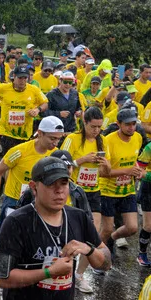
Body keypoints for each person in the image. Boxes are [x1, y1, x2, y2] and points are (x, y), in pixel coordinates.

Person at [0, 156, 111, 300]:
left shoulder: (78, 217)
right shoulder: (15, 222)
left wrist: (89, 249)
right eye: (51, 184)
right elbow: (3, 278)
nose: (59, 191)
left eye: (64, 183)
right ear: (34, 187)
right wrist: (49, 272)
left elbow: (105, 263)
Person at [0, 116, 64, 249]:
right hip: (14, 203)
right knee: (7, 245)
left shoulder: (56, 155)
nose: (55, 143)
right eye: (52, 138)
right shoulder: (19, 151)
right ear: (40, 133)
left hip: (40, 205)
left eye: (59, 138)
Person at [61, 106, 111, 292]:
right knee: (70, 233)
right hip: (73, 190)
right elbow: (59, 163)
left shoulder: (103, 141)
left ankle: (79, 275)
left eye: (99, 127)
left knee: (93, 235)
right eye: (93, 127)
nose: (96, 130)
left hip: (94, 191)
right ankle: (63, 267)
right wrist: (81, 160)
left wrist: (105, 164)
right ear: (85, 123)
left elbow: (107, 173)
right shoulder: (72, 139)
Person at [99, 108, 142, 266]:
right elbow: (103, 173)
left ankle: (111, 241)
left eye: (134, 124)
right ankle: (96, 258)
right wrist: (127, 170)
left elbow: (133, 161)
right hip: (107, 191)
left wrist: (137, 170)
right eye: (127, 124)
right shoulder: (107, 141)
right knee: (106, 229)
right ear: (118, 124)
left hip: (127, 190)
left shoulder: (137, 138)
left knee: (132, 228)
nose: (132, 127)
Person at [0, 65, 48, 155]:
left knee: (21, 157)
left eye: (25, 78)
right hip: (6, 131)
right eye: (20, 78)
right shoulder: (3, 88)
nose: (23, 81)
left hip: (24, 132)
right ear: (14, 76)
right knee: (9, 157)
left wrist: (38, 110)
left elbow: (45, 103)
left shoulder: (34, 90)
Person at [42, 71, 81, 136]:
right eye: (65, 82)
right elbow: (43, 112)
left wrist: (79, 111)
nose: (68, 84)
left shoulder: (74, 93)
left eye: (70, 82)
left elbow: (78, 107)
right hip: (55, 130)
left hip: (70, 129)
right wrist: (59, 114)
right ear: (60, 81)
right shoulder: (51, 94)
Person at [136, 141, 151, 266]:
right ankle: (142, 253)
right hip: (149, 189)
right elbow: (140, 172)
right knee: (149, 225)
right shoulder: (149, 147)